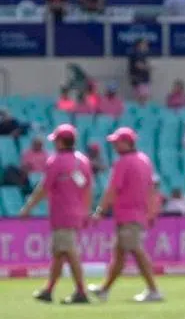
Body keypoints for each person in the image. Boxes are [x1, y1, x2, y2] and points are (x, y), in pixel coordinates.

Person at [18, 124, 94, 304]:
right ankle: (48, 290)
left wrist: (28, 208)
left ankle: (81, 291)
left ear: (60, 142)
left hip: (62, 214)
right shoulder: (83, 161)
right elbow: (88, 189)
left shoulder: (56, 161)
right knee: (59, 253)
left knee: (68, 251)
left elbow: (44, 188)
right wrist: (87, 211)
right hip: (76, 212)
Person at [88, 127, 164, 303]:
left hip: (128, 214)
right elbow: (151, 189)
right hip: (136, 213)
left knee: (136, 250)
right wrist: (151, 211)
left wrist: (100, 211)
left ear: (126, 143)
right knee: (120, 254)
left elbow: (112, 190)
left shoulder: (123, 163)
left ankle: (153, 289)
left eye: (116, 142)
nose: (114, 146)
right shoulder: (144, 160)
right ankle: (104, 289)